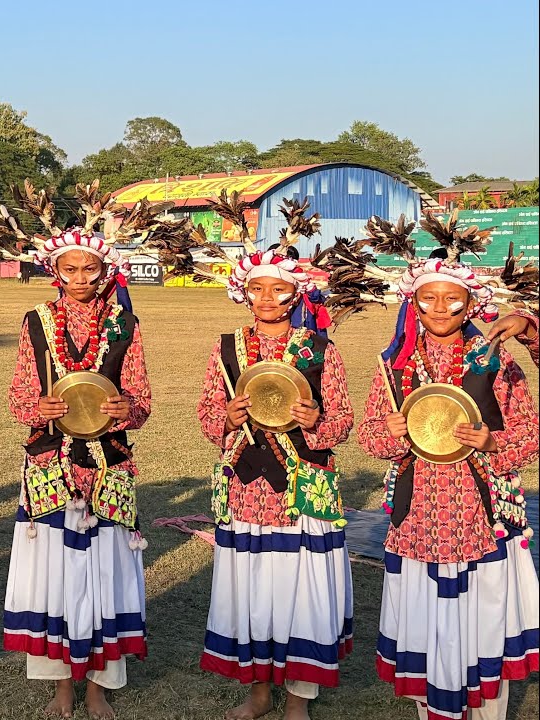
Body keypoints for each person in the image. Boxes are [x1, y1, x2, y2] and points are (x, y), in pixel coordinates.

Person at [358, 239, 538, 720]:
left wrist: (493, 442)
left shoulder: (496, 360)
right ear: (412, 303)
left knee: (483, 623)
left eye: (452, 297)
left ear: (470, 303)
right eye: (428, 298)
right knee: (429, 625)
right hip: (418, 519)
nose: (440, 308)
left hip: (484, 518)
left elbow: (529, 435)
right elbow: (371, 438)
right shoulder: (393, 367)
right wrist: (392, 432)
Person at [0, 184, 151, 720]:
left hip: (109, 462)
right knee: (55, 576)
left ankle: (97, 686)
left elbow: (142, 397)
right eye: (71, 269)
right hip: (49, 460)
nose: (81, 278)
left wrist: (124, 410)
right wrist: (35, 407)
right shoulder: (36, 320)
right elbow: (19, 392)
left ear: (104, 271)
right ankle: (62, 683)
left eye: (90, 269)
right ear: (56, 272)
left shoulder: (126, 324)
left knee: (103, 576)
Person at [196, 198, 353, 720]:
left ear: (295, 294)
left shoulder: (319, 349)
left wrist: (316, 423)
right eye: (257, 288)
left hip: (303, 485)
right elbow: (205, 417)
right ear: (244, 292)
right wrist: (228, 416)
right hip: (245, 485)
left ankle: (297, 700)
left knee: (300, 591)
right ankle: (259, 692)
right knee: (255, 590)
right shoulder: (225, 347)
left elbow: (343, 421)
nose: (267, 298)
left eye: (279, 288)